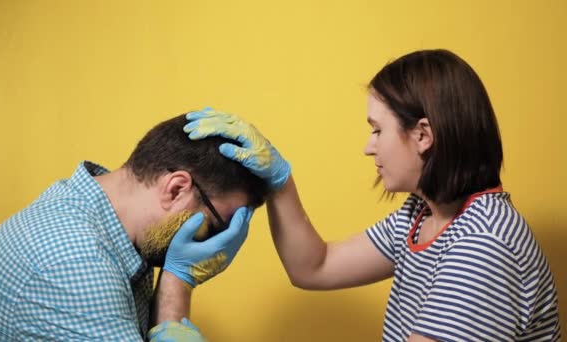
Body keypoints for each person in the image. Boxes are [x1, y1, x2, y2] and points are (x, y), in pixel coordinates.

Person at [183, 49, 561, 341]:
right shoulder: (421, 216)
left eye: (377, 130)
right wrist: (280, 180)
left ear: (423, 135)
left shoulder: (484, 244)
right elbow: (314, 266)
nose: (368, 147)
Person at [0, 114, 269, 341]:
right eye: (215, 226)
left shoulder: (101, 216)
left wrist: (177, 275)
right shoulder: (80, 263)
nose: (215, 244)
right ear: (175, 189)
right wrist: (179, 283)